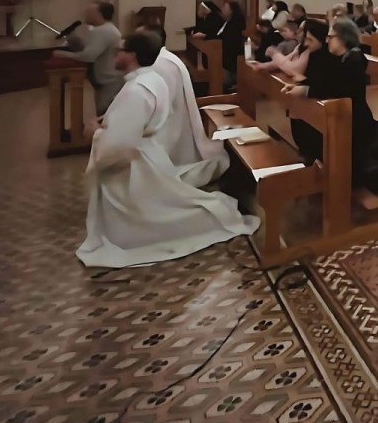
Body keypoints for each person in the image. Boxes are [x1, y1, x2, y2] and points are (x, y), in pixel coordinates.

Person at [77, 33, 258, 268]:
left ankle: (210, 219)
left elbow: (119, 144)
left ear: (132, 55)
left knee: (148, 218)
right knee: (162, 207)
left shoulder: (137, 90)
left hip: (134, 167)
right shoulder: (152, 79)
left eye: (119, 50)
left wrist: (95, 133)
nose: (115, 53)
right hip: (148, 156)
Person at [283, 19, 378, 194]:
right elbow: (327, 82)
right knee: (351, 177)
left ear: (343, 38)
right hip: (346, 119)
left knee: (354, 176)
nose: (327, 40)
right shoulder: (342, 58)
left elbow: (337, 87)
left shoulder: (355, 58)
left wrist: (305, 89)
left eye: (331, 37)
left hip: (357, 123)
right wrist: (302, 84)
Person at [139, 26, 229, 186]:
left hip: (171, 121)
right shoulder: (164, 58)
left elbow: (161, 101)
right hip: (173, 116)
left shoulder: (162, 64)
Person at [54, 1, 124, 115]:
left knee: (105, 116)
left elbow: (88, 56)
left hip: (110, 82)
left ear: (98, 14)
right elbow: (90, 49)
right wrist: (73, 38)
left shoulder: (104, 31)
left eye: (89, 12)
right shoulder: (104, 29)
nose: (85, 14)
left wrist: (62, 54)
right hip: (107, 80)